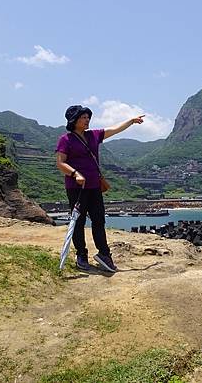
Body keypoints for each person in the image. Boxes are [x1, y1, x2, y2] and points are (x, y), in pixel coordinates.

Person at [55, 105, 144, 272]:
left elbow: (114, 130)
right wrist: (75, 174)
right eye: (83, 117)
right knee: (78, 222)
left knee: (98, 220)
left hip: (94, 186)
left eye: (88, 117)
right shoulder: (65, 139)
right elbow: (60, 163)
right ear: (74, 120)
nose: (87, 120)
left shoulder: (94, 135)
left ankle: (104, 254)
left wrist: (131, 121)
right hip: (77, 187)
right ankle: (81, 255)